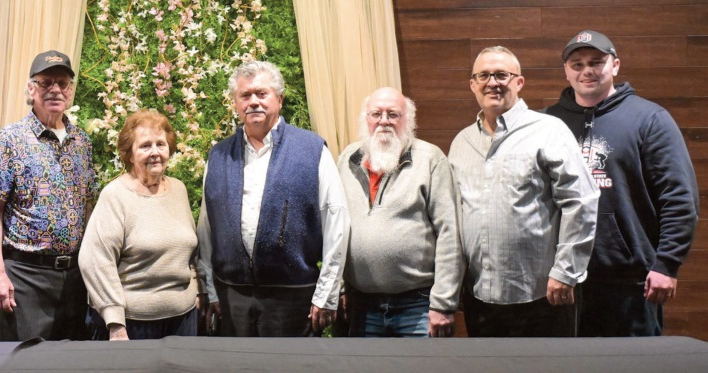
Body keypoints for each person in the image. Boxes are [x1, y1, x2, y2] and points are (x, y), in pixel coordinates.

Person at [543, 30, 699, 337]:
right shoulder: (548, 123)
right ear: (566, 71)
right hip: (561, 278)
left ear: (615, 66)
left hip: (629, 281)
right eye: (577, 64)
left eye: (596, 62)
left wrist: (667, 264)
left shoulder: (649, 119)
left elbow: (679, 198)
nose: (586, 70)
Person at [449, 46, 599, 337]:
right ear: (472, 85)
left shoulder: (549, 131)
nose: (492, 82)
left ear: (519, 82)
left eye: (502, 74)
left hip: (543, 295)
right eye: (483, 76)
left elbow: (582, 202)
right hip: (480, 298)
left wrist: (566, 272)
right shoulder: (461, 142)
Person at [196, 60, 350, 337]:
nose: (253, 102)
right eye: (245, 95)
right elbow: (207, 229)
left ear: (279, 99)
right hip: (232, 298)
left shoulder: (311, 149)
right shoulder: (218, 156)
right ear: (235, 103)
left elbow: (336, 221)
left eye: (261, 94)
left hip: (293, 297)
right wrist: (210, 289)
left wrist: (327, 294)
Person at [0, 50, 98, 341]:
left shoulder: (82, 142)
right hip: (25, 277)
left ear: (70, 91)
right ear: (31, 90)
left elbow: (88, 207)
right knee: (27, 363)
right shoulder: (11, 139)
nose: (55, 89)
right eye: (46, 83)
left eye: (63, 83)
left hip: (75, 277)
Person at [337, 87, 462, 338]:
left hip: (418, 306)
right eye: (376, 114)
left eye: (393, 114)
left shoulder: (430, 159)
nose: (384, 121)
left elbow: (451, 234)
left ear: (408, 121)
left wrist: (443, 303)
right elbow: (335, 229)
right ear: (366, 119)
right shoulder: (346, 159)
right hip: (362, 306)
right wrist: (339, 287)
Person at [79, 110, 201, 341]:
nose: (155, 152)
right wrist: (115, 322)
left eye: (160, 144)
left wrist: (195, 290)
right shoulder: (115, 195)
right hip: (132, 325)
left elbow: (189, 251)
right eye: (145, 146)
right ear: (130, 155)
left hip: (183, 320)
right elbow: (95, 261)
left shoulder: (179, 190)